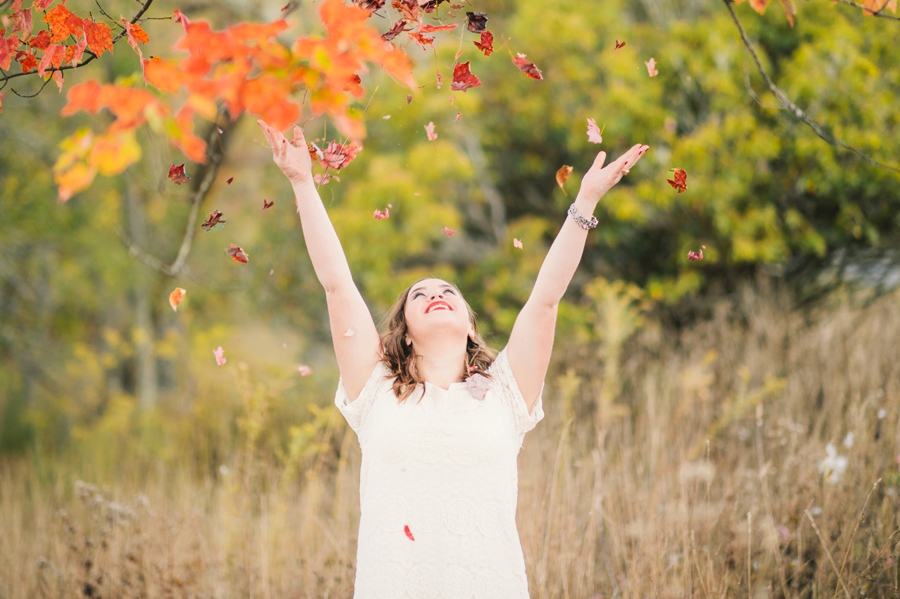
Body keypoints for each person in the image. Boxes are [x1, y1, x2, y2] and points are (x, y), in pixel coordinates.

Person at [258, 119, 647, 598]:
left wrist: (584, 202)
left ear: (468, 323)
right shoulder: (374, 389)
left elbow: (545, 299)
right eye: (420, 294)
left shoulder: (507, 391)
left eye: (449, 292)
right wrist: (301, 181)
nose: (436, 294)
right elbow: (337, 283)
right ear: (403, 329)